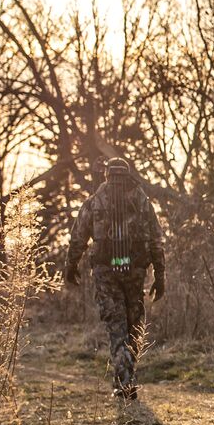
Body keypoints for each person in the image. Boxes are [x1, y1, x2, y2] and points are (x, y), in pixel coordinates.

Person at [64, 158, 166, 398]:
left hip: (106, 273)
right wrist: (160, 275)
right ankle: (127, 379)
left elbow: (78, 237)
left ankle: (124, 382)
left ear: (106, 175)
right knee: (134, 325)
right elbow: (156, 240)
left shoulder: (95, 202)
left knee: (117, 327)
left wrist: (71, 265)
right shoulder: (142, 202)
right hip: (135, 273)